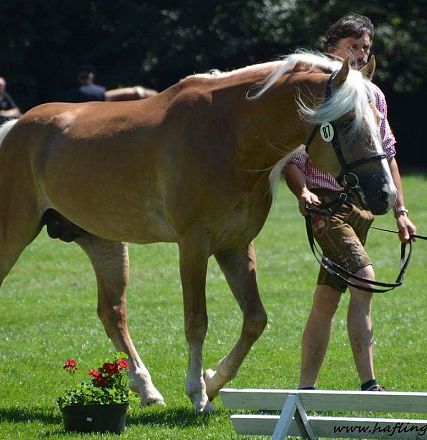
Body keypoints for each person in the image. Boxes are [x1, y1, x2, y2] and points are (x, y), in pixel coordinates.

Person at [284, 14, 417, 392]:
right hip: (325, 206)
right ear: (332, 50)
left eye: (366, 48)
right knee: (365, 277)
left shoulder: (374, 96)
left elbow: (386, 155)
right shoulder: (317, 93)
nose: (361, 54)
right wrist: (302, 192)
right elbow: (293, 155)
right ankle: (369, 384)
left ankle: (305, 390)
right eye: (353, 47)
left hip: (361, 208)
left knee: (326, 299)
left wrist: (401, 212)